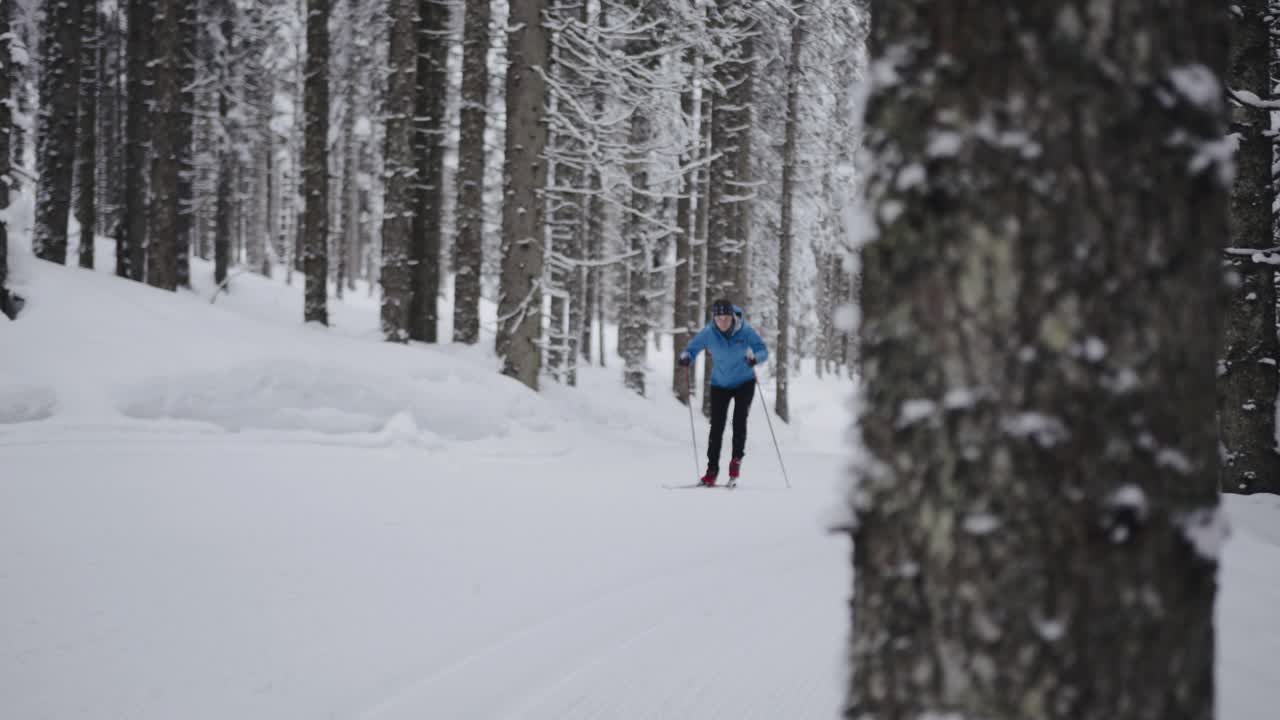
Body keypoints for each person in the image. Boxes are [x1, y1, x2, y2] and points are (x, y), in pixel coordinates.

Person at [678, 299, 769, 486]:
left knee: (739, 420)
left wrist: (755, 358)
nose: (722, 323)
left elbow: (763, 350)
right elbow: (693, 348)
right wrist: (687, 356)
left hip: (744, 382)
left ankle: (736, 460)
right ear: (715, 318)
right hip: (720, 383)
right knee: (716, 427)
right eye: (719, 319)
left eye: (726, 318)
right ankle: (711, 471)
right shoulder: (709, 332)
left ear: (732, 317)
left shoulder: (745, 331)